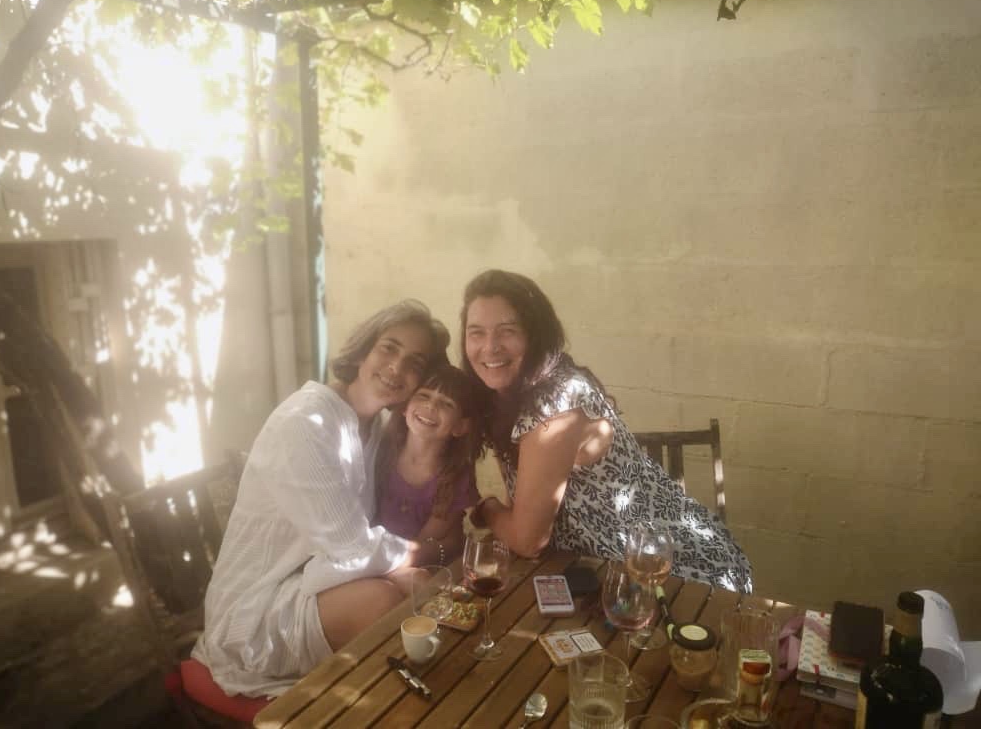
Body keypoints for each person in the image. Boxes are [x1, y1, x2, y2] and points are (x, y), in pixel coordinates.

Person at [192, 300, 451, 697]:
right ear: (363, 350)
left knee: (419, 599)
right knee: (386, 603)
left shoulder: (377, 427)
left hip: (318, 581)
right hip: (255, 610)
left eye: (414, 363)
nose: (397, 368)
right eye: (388, 348)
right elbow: (351, 546)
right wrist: (421, 555)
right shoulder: (306, 422)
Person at [462, 270, 752, 593]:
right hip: (608, 573)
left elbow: (528, 540)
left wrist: (486, 508)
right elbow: (522, 508)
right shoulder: (506, 398)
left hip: (680, 574)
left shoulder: (553, 406)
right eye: (476, 333)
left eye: (507, 331)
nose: (490, 347)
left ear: (535, 335)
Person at [374, 363, 482, 564]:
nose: (431, 406)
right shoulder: (381, 452)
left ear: (461, 426)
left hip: (424, 565)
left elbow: (421, 546)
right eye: (424, 395)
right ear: (405, 406)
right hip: (372, 556)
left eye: (447, 404)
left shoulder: (455, 477)